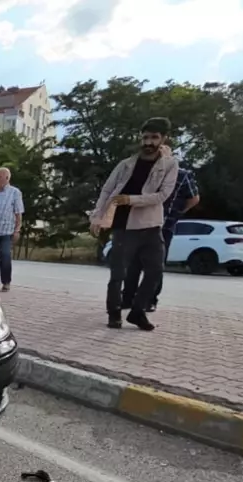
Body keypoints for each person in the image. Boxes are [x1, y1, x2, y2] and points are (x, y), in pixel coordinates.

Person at [89, 117, 178, 330]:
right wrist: (96, 216)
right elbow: (107, 190)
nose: (148, 142)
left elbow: (163, 195)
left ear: (163, 139)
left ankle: (138, 312)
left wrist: (132, 200)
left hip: (151, 225)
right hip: (124, 225)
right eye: (145, 137)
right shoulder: (126, 164)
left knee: (155, 271)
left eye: (154, 138)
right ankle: (114, 313)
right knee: (118, 273)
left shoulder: (169, 165)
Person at [121, 145, 199, 312]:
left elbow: (194, 198)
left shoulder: (182, 174)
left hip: (164, 225)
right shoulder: (144, 171)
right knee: (133, 261)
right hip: (140, 222)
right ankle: (127, 297)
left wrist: (176, 213)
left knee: (155, 265)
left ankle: (150, 300)